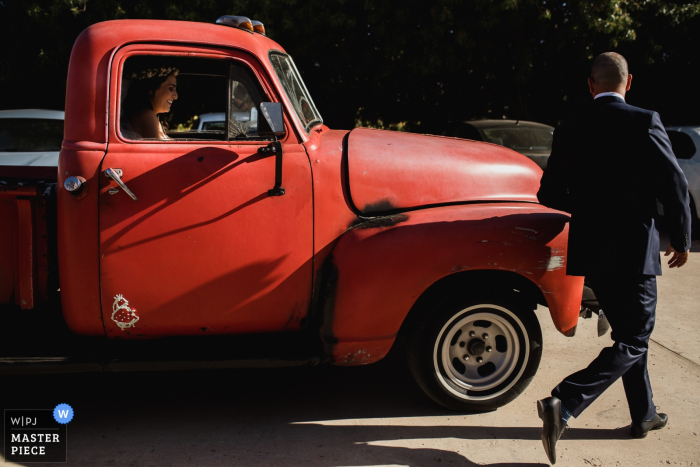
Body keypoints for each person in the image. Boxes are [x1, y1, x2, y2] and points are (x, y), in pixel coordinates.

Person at [535, 52, 691, 464]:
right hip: (634, 249)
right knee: (636, 337)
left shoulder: (571, 126)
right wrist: (681, 237)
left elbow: (548, 195)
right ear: (629, 82)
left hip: (591, 250)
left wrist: (588, 206)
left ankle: (644, 415)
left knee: (627, 336)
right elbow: (674, 184)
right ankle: (565, 402)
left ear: (590, 84)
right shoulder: (644, 120)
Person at [121, 67, 179, 139]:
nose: (176, 96)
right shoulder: (147, 115)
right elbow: (163, 149)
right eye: (171, 89)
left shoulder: (145, 114)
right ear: (151, 89)